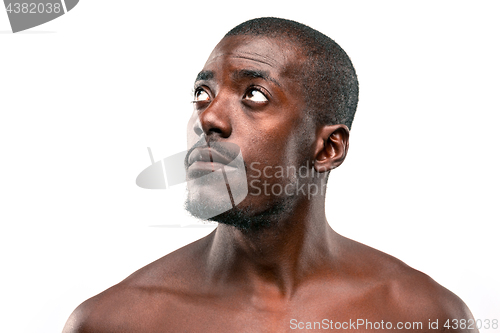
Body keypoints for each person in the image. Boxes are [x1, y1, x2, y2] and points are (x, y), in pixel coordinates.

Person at [63, 17, 478, 332]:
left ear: (328, 148)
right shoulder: (114, 322)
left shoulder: (425, 316)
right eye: (201, 94)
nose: (208, 117)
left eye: (254, 95)